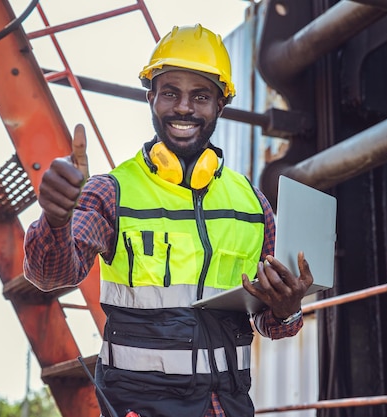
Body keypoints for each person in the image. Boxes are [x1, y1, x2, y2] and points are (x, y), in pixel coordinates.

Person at [23, 24, 313, 417]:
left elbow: (269, 323)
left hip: (228, 408)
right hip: (139, 409)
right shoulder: (111, 192)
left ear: (219, 107)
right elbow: (51, 275)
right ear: (151, 99)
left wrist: (287, 308)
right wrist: (55, 220)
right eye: (170, 93)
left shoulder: (252, 205)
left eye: (201, 96)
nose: (183, 107)